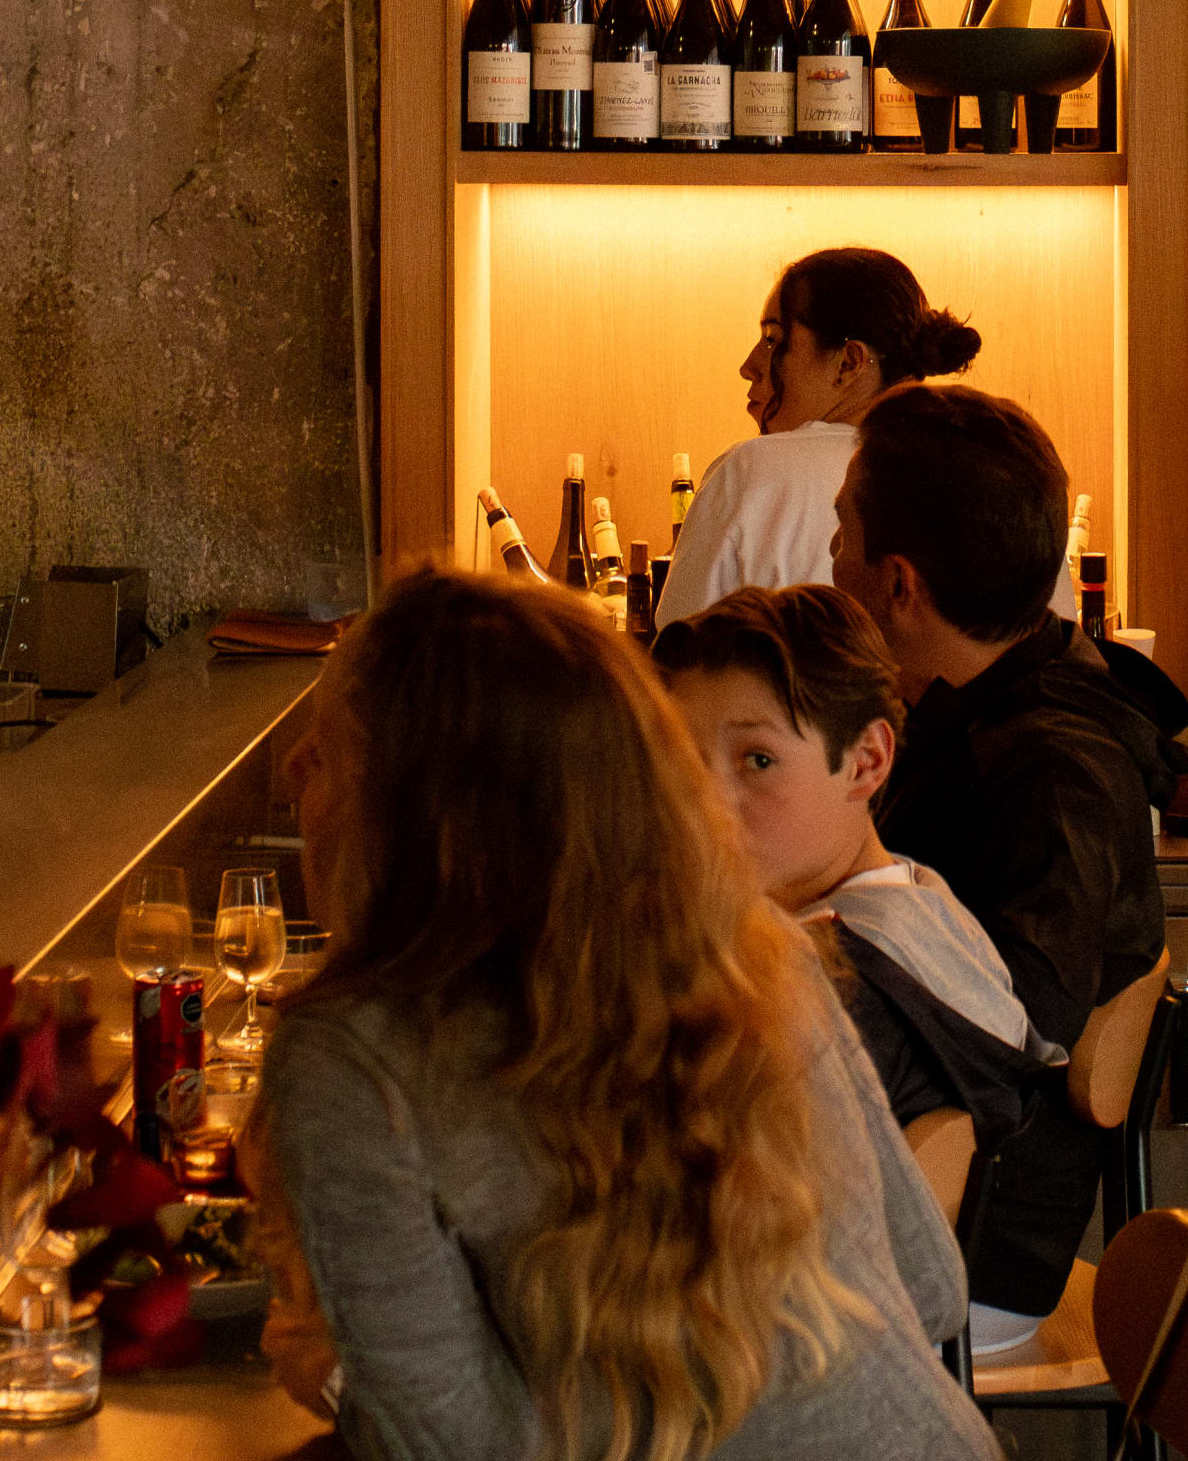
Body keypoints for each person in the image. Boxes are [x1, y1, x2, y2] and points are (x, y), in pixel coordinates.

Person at [259, 568, 992, 1461]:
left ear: (411, 807)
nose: (294, 769)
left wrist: (332, 1375)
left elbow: (451, 1449)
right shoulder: (749, 943)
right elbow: (930, 1286)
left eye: (329, 746)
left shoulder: (351, 1058)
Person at [833, 384, 1188, 1359]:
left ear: (897, 583)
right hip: (916, 1205)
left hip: (971, 1246)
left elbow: (1009, 1025)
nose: (828, 566)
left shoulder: (1053, 765)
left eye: (839, 539)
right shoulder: (985, 701)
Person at [655, 582, 1064, 1166]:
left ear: (866, 762)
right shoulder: (920, 900)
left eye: (757, 761)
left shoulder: (823, 999)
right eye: (686, 762)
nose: (707, 802)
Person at [657, 249, 982, 625]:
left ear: (849, 362)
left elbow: (676, 657)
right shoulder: (990, 465)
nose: (748, 366)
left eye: (772, 339)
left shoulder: (752, 471)